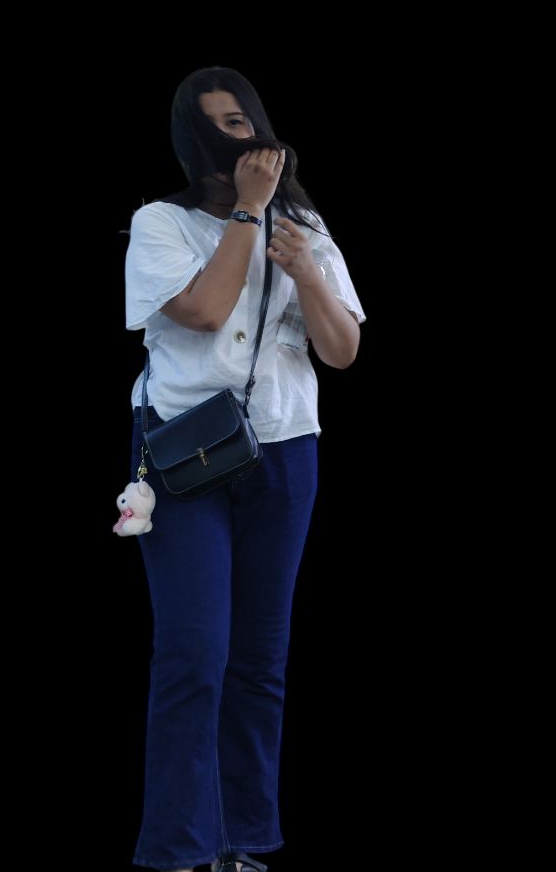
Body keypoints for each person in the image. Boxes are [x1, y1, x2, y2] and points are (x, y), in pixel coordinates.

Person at [123, 67, 365, 872]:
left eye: (243, 118)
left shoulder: (307, 226)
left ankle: (242, 841)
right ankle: (176, 846)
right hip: (185, 448)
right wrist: (247, 213)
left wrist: (306, 273)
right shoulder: (160, 221)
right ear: (195, 140)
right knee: (194, 651)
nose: (239, 135)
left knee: (259, 656)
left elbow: (341, 350)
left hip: (285, 447)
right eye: (220, 124)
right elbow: (200, 312)